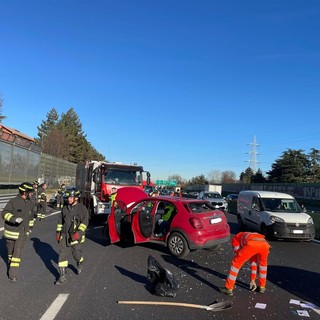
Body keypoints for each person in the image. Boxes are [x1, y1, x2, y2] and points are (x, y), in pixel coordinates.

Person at [55, 188, 89, 285]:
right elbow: (60, 221)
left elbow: (85, 223)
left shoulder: (82, 209)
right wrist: (58, 232)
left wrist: (78, 233)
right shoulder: (65, 208)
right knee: (62, 255)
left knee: (76, 254)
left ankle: (80, 262)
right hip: (64, 235)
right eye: (68, 197)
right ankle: (62, 277)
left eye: (70, 197)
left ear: (76, 198)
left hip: (76, 236)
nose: (68, 199)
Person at [1, 182, 34, 282]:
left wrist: (29, 228)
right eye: (30, 192)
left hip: (22, 233)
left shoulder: (30, 203)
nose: (32, 194)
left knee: (17, 254)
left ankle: (12, 274)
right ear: (25, 192)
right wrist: (13, 219)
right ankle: (11, 266)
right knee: (10, 254)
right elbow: (4, 213)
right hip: (10, 233)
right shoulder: (13, 201)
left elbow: (31, 217)